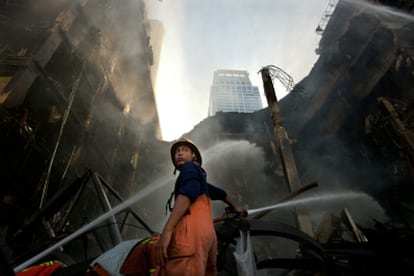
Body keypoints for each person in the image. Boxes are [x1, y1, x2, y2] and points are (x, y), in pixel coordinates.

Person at [154, 137, 246, 275]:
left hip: (191, 234)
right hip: (208, 236)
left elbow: (188, 192)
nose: (179, 153)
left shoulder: (189, 168)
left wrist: (167, 230)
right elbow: (221, 193)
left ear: (193, 156)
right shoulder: (199, 176)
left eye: (185, 150)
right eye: (177, 151)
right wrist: (235, 207)